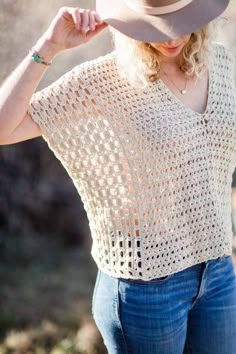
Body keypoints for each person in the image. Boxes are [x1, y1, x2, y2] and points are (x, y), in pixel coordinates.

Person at [0, 0, 236, 353]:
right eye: (155, 27)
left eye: (178, 22)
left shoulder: (222, 63)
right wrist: (48, 47)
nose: (170, 37)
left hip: (217, 272)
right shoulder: (103, 81)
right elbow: (4, 127)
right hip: (147, 287)